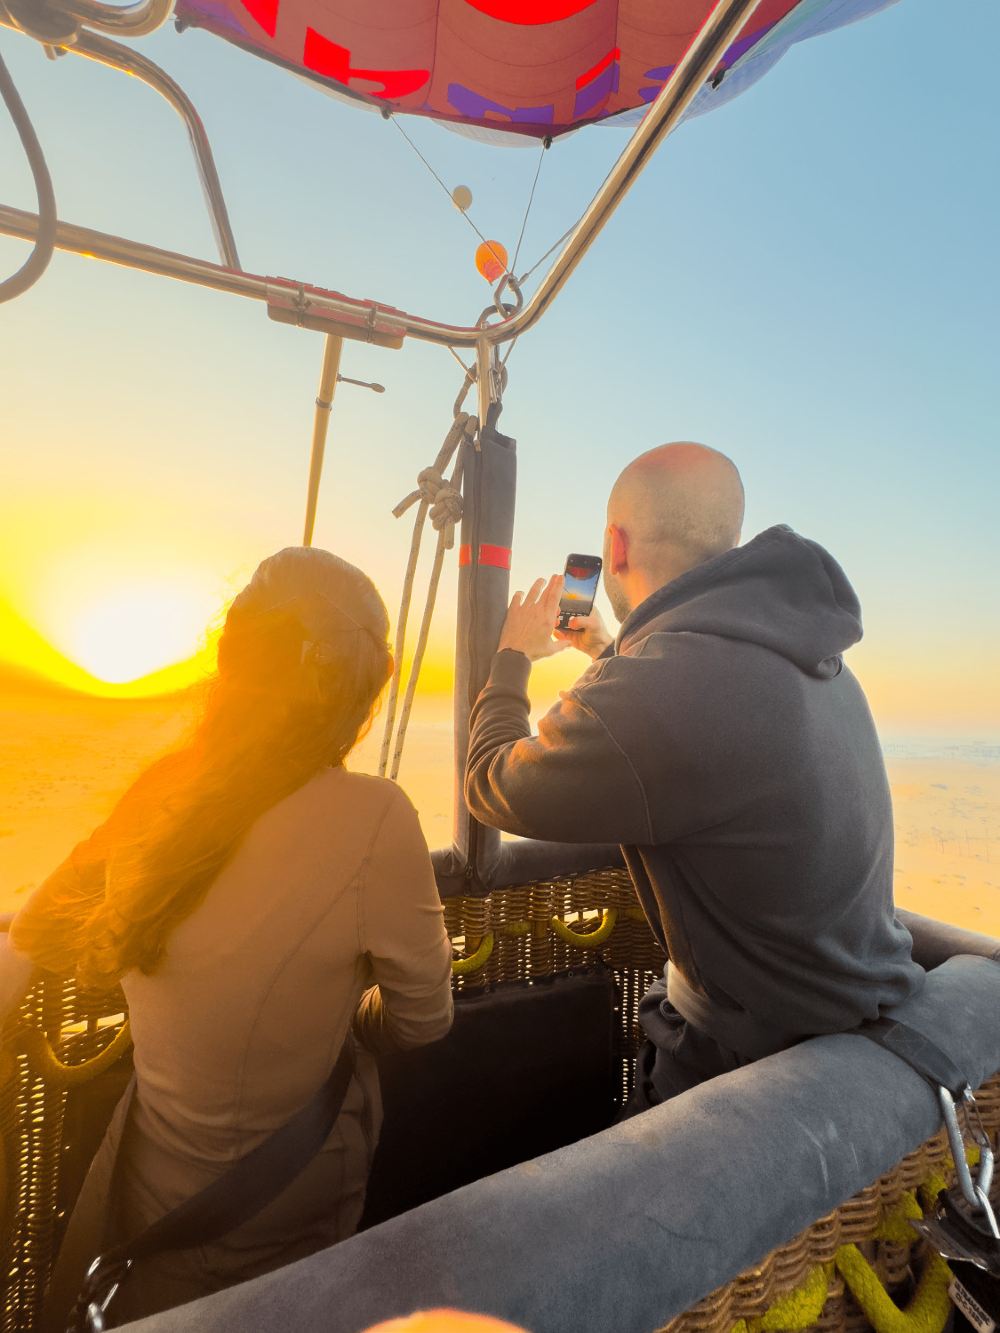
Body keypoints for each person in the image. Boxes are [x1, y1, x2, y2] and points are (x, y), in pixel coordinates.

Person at [0, 546, 454, 1326]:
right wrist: (341, 1015)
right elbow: (424, 1019)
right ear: (365, 687)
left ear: (232, 657)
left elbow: (41, 922)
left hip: (137, 1201)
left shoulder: (159, 791)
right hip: (280, 1221)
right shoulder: (377, 817)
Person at [464, 442, 923, 1111]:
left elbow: (490, 783)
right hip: (852, 1012)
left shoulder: (664, 689)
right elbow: (688, 724)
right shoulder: (805, 653)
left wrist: (510, 656)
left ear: (615, 546)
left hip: (748, 1061)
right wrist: (607, 652)